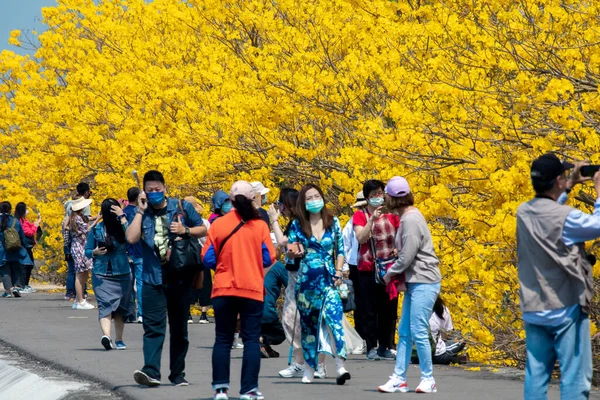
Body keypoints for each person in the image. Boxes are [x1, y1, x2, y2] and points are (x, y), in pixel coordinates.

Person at [516, 154, 598, 399]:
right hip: (565, 308)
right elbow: (597, 224)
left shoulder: (523, 212)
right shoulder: (567, 218)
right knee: (574, 377)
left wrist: (569, 186)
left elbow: (548, 212)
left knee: (536, 376)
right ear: (557, 181)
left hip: (534, 308)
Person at [127, 170, 207, 388]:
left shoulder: (181, 207)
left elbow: (203, 229)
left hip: (179, 277)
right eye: (150, 190)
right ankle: (151, 371)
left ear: (164, 187)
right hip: (153, 278)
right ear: (144, 192)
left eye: (157, 189)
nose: (154, 193)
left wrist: (185, 230)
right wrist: (140, 211)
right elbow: (131, 237)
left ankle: (177, 374)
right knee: (153, 328)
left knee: (180, 328)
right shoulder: (141, 212)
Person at [202, 180, 276, 400]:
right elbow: (269, 257)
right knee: (251, 340)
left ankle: (220, 389)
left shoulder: (218, 224)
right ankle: (249, 389)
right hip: (251, 289)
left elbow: (207, 258)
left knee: (223, 340)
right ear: (253, 200)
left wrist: (225, 264)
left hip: (223, 289)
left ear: (230, 201)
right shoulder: (260, 226)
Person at [378, 176, 442, 394]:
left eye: (386, 194)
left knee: (418, 330)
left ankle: (428, 378)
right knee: (405, 331)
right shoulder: (407, 217)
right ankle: (398, 378)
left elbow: (407, 255)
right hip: (417, 281)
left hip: (425, 281)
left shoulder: (410, 220)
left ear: (394, 197)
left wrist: (390, 273)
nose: (384, 197)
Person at [287, 184, 350, 385]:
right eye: (309, 198)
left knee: (334, 323)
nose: (314, 200)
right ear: (303, 203)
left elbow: (340, 250)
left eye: (316, 196)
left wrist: (339, 272)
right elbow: (290, 254)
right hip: (306, 282)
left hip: (329, 280)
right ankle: (309, 368)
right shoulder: (297, 225)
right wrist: (291, 253)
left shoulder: (333, 222)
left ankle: (340, 366)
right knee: (309, 326)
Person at [353, 180, 401, 361]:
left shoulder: (392, 215)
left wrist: (398, 249)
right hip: (368, 268)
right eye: (373, 195)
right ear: (366, 198)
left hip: (389, 267)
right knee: (370, 309)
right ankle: (371, 346)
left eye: (380, 193)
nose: (377, 197)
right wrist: (372, 219)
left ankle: (386, 345)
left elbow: (400, 236)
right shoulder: (360, 215)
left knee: (389, 308)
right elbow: (360, 238)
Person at [85, 199, 134, 350]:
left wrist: (123, 217)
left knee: (120, 308)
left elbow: (132, 240)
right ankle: (106, 336)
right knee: (104, 305)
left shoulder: (123, 228)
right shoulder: (97, 229)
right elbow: (87, 251)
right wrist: (94, 252)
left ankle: (119, 339)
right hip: (101, 274)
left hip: (122, 273)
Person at [342, 191, 367, 355]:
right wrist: (344, 267)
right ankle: (361, 338)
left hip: (370, 264)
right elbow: (344, 247)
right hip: (355, 265)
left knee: (370, 303)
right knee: (359, 303)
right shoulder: (351, 224)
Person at [184, 196, 212, 324]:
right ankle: (203, 314)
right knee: (204, 283)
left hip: (187, 256)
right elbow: (208, 241)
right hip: (201, 255)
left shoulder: (181, 223)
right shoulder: (204, 222)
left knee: (189, 283)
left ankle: (188, 314)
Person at [67, 197, 96, 310]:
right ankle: (80, 301)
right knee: (80, 274)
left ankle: (79, 299)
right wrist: (98, 220)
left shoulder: (77, 217)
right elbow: (88, 229)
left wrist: (97, 217)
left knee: (84, 273)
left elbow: (88, 220)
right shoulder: (77, 218)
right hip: (79, 248)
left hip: (80, 247)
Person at [0, 202, 31, 298]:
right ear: (10, 210)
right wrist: (25, 245)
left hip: (2, 250)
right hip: (15, 249)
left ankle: (8, 290)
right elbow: (21, 235)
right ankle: (17, 287)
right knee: (17, 269)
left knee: (5, 270)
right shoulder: (15, 221)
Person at [123, 187, 144, 323]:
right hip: (140, 252)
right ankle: (141, 313)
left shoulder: (122, 213)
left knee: (127, 284)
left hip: (125, 253)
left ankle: (129, 313)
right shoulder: (140, 213)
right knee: (141, 283)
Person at [261, 254, 287, 359]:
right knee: (281, 334)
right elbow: (290, 285)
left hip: (248, 309)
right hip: (266, 310)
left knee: (260, 328)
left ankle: (264, 347)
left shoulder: (251, 263)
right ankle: (261, 340)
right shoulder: (278, 266)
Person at [428, 296, 465, 365]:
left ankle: (453, 359)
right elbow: (444, 336)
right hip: (435, 354)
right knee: (464, 338)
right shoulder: (441, 308)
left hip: (414, 355)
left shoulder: (412, 307)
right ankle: (454, 359)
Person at [14, 202, 41, 294]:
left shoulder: (20, 220)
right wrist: (35, 226)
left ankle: (24, 284)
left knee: (27, 265)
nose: (27, 211)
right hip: (25, 246)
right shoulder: (20, 221)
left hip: (23, 246)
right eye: (26, 209)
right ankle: (23, 285)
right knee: (27, 265)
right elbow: (29, 232)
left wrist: (34, 224)